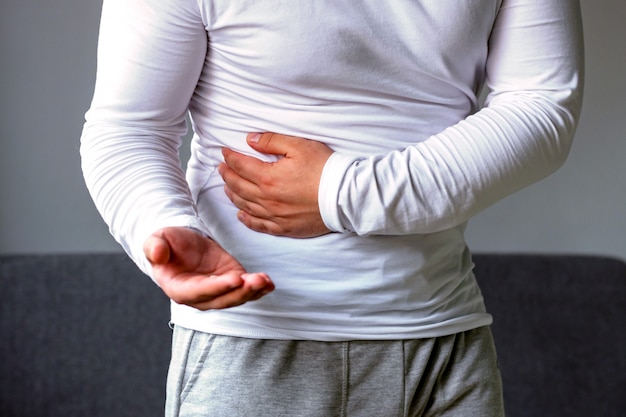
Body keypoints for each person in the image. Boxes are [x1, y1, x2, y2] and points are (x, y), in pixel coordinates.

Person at [80, 0, 584, 415]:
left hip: (445, 344)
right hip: (255, 343)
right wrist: (163, 226)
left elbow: (541, 103)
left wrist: (340, 194)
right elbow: (128, 129)